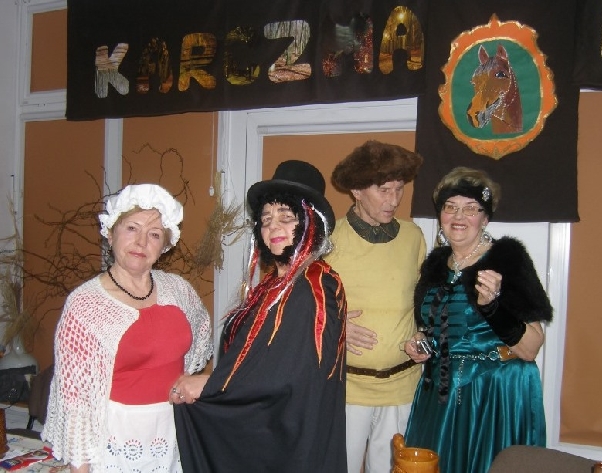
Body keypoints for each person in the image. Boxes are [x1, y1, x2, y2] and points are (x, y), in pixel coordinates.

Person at [172, 160, 347, 472]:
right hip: (269, 431)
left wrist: (212, 385)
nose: (273, 227)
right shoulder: (272, 285)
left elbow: (290, 371)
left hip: (290, 442)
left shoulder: (314, 285)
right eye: (266, 219)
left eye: (286, 217)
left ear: (310, 223)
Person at [42, 183, 213, 472]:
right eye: (132, 228)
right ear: (111, 233)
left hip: (175, 433)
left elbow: (198, 353)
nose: (141, 242)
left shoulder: (180, 291)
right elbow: (75, 407)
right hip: (116, 442)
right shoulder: (85, 305)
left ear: (165, 245)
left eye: (154, 234)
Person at [402, 167, 553, 473]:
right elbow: (437, 328)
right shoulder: (435, 265)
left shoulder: (507, 260)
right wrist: (422, 342)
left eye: (471, 209)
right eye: (451, 207)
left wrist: (493, 307)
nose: (459, 216)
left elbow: (531, 348)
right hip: (440, 392)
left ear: (485, 219)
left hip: (494, 392)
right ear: (441, 215)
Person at [325, 140, 427, 473]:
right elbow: (301, 306)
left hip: (402, 387)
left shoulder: (413, 237)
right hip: (347, 388)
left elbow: (425, 302)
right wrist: (335, 325)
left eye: (399, 189)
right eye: (384, 190)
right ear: (356, 190)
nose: (394, 200)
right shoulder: (329, 240)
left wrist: (424, 336)